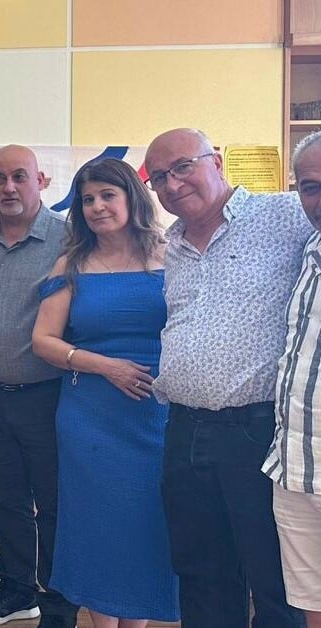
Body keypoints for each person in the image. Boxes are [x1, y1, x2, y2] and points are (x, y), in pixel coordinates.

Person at [146, 128, 309, 628]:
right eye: (159, 177)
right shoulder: (171, 245)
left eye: (182, 167)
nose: (173, 184)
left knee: (273, 577)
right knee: (200, 574)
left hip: (257, 431)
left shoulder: (285, 215)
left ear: (215, 161)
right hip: (183, 430)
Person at [32, 158, 179, 627]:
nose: (97, 206)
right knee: (99, 527)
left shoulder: (173, 255)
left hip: (159, 415)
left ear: (132, 197)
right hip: (91, 417)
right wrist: (106, 366)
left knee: (146, 526)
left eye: (107, 195)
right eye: (87, 199)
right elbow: (43, 341)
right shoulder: (71, 265)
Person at [0, 145, 79, 628]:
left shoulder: (70, 240)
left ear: (41, 181)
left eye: (19, 177)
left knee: (53, 504)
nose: (8, 188)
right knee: (5, 499)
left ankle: (58, 603)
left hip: (48, 396)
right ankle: (15, 590)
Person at [266, 130, 321, 628]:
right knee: (310, 601)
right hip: (297, 466)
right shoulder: (308, 252)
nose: (319, 198)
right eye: (311, 187)